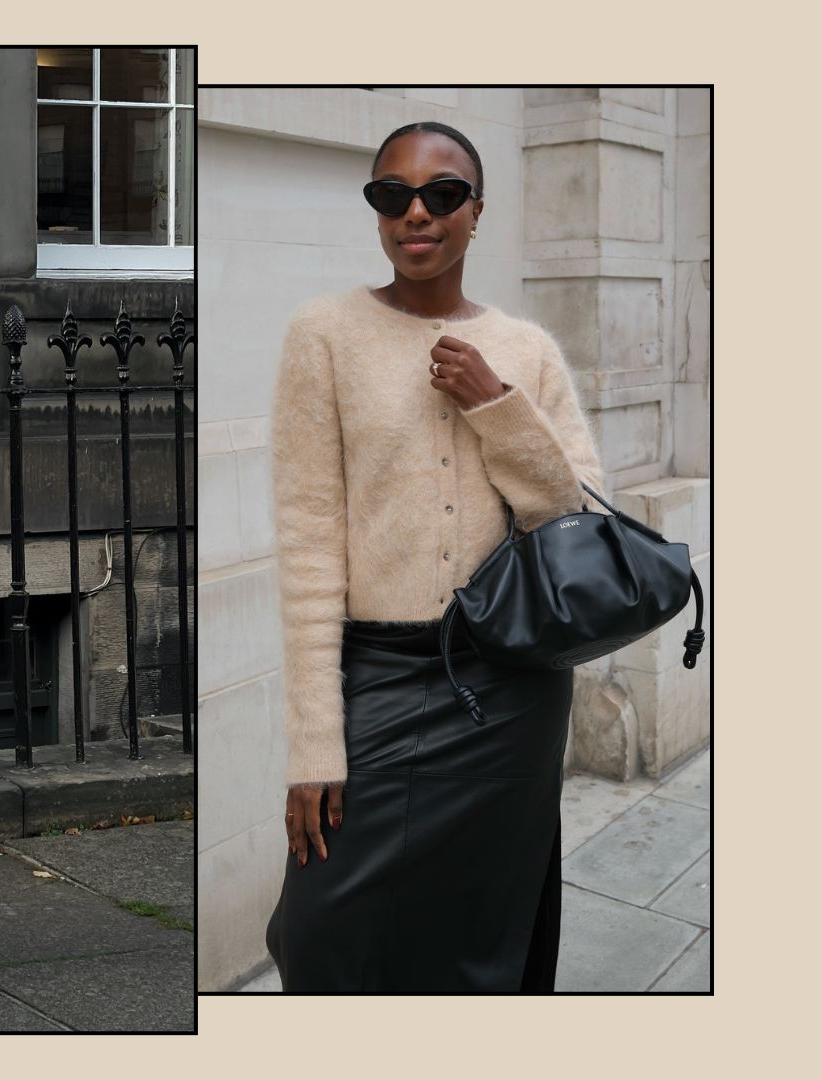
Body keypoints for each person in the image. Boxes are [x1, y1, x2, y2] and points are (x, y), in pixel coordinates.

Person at [263, 122, 603, 991]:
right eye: (392, 195)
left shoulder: (527, 350)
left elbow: (577, 523)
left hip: (508, 688)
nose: (417, 212)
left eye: (442, 194)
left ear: (476, 212)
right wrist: (314, 745)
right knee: (320, 933)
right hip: (375, 672)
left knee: (481, 929)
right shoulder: (324, 335)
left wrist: (498, 407)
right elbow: (307, 547)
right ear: (377, 211)